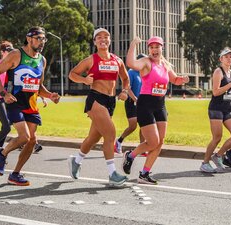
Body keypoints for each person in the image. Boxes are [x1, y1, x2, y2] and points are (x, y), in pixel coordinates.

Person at [0, 26, 60, 186]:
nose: (42, 42)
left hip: (32, 104)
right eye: (38, 38)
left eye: (44, 39)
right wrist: (3, 93)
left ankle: (15, 174)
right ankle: (3, 152)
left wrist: (50, 95)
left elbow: (39, 86)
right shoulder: (16, 55)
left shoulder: (42, 60)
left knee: (31, 141)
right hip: (15, 102)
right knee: (24, 137)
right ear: (29, 39)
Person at [122, 36, 189, 184]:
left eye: (157, 47)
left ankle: (144, 174)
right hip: (145, 104)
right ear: (149, 50)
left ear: (162, 48)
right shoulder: (146, 62)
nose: (154, 50)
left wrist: (182, 80)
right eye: (151, 47)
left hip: (160, 105)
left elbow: (174, 79)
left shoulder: (165, 65)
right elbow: (130, 63)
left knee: (159, 143)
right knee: (152, 141)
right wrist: (133, 44)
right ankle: (130, 156)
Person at [68, 28, 129, 187]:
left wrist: (124, 90)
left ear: (110, 41)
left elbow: (125, 78)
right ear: (95, 42)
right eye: (99, 37)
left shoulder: (117, 60)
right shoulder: (91, 60)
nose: (103, 39)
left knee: (93, 138)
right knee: (110, 133)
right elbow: (72, 74)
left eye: (106, 37)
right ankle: (112, 174)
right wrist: (84, 80)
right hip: (96, 99)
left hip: (111, 101)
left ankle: (76, 161)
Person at [200, 48, 231, 173]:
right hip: (216, 109)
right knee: (217, 137)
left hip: (228, 109)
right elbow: (216, 91)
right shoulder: (219, 72)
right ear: (221, 59)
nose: (229, 58)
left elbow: (227, 90)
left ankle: (218, 155)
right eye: (226, 56)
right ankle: (205, 163)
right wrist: (230, 85)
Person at [114, 54, 147, 154]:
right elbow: (128, 88)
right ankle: (119, 141)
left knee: (144, 125)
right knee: (133, 126)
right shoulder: (131, 72)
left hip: (142, 102)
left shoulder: (144, 73)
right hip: (131, 102)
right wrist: (135, 99)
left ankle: (142, 148)